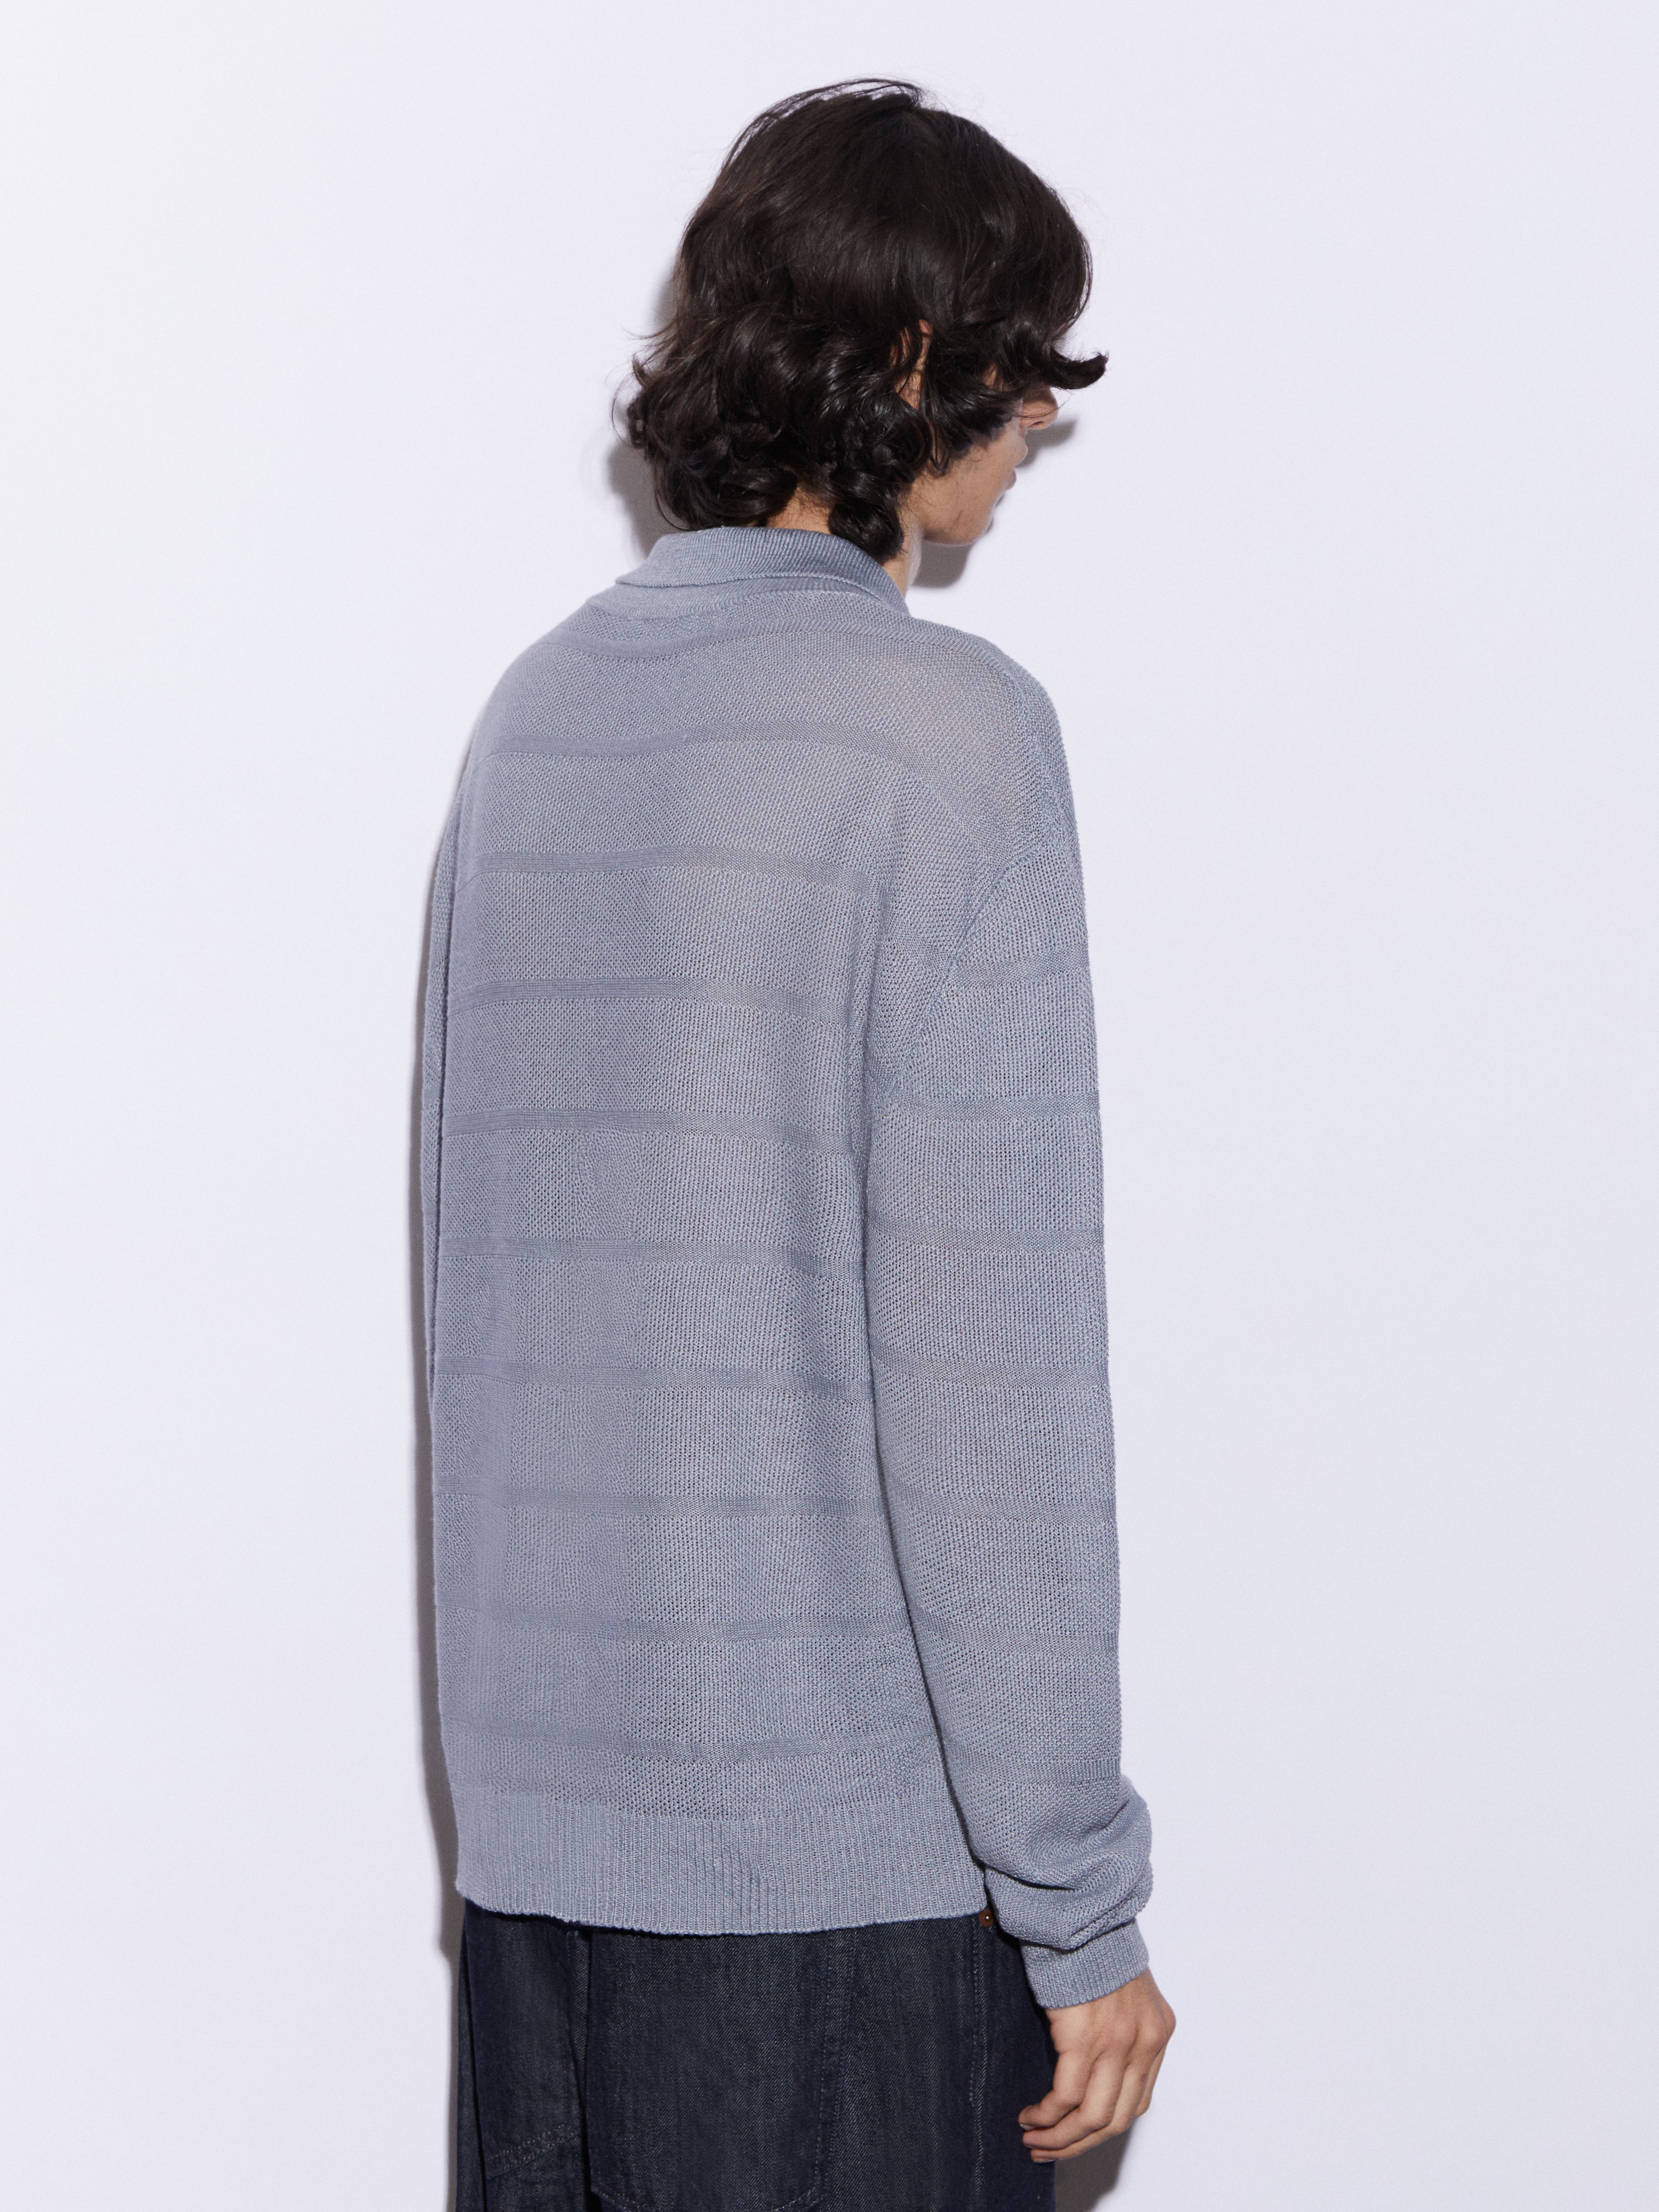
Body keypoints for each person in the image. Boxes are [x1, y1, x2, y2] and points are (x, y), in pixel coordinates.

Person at [421, 78, 1175, 2211]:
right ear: (916, 358)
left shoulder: (539, 712)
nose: (1041, 422)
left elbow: (477, 1301)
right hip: (830, 1906)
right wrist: (1080, 1902)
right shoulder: (951, 737)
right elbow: (988, 1376)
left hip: (545, 1902)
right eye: (1020, 364)